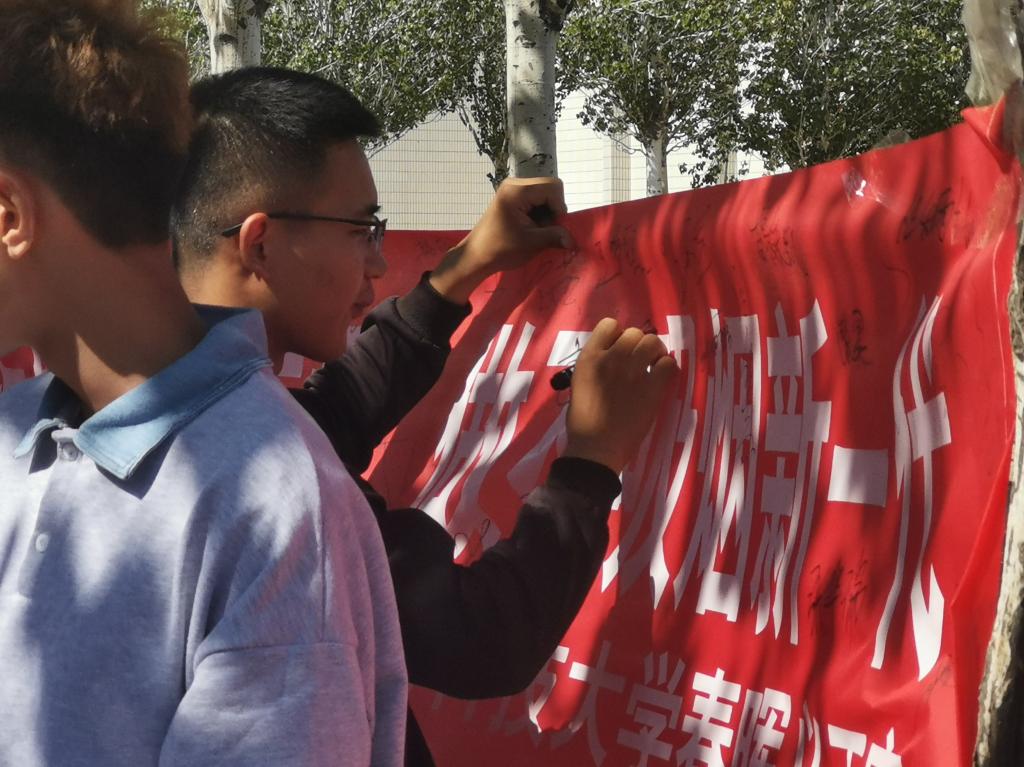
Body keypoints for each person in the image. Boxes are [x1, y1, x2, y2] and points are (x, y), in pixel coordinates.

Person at [172, 66, 678, 765]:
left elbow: (338, 408)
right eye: (361, 229)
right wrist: (592, 462)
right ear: (260, 243)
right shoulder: (268, 471)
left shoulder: (177, 399)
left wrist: (462, 269)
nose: (379, 265)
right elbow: (485, 636)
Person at [0, 3, 404, 765]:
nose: (374, 264)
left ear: (10, 214)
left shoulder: (279, 510)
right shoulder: (15, 434)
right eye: (360, 229)